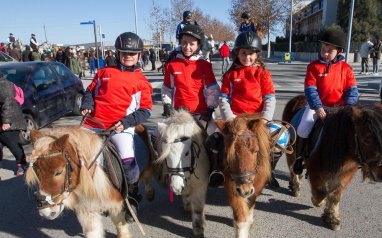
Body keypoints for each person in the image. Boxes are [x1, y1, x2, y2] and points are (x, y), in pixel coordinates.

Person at [80, 32, 153, 209]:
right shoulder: (103, 72)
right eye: (125, 53)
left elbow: (146, 110)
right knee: (76, 157)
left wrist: (127, 123)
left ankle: (132, 193)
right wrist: (87, 103)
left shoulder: (142, 82)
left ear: (139, 55)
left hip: (119, 126)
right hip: (93, 124)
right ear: (118, 53)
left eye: (132, 54)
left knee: (128, 162)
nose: (128, 57)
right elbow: (89, 91)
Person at [161, 24, 222, 186]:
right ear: (180, 43)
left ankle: (215, 170)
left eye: (191, 43)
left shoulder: (204, 66)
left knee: (215, 136)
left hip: (201, 114)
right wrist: (167, 105)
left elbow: (212, 90)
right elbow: (167, 89)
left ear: (198, 45)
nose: (187, 47)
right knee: (159, 136)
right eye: (184, 42)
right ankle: (166, 170)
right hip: (180, 115)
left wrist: (210, 109)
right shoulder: (172, 65)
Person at [293, 28, 359, 175]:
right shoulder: (313, 67)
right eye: (323, 49)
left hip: (339, 108)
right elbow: (310, 89)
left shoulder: (346, 69)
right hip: (317, 107)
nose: (325, 53)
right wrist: (317, 107)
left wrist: (348, 108)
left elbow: (352, 91)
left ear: (339, 51)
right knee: (303, 128)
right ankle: (299, 158)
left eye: (330, 50)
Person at [219, 31, 276, 180]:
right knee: (216, 140)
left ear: (257, 55)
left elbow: (270, 98)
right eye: (244, 53)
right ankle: (219, 170)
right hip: (236, 119)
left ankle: (270, 171)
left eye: (251, 53)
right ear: (237, 53)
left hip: (257, 119)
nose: (247, 57)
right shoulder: (230, 75)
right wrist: (230, 118)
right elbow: (223, 99)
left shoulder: (263, 73)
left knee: (278, 140)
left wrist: (265, 118)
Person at [0, 72, 28, 177]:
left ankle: (22, 164)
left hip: (10, 122)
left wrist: (6, 121)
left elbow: (9, 103)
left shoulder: (4, 85)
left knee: (14, 146)